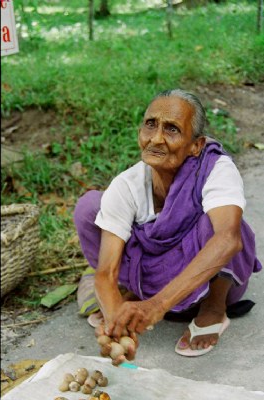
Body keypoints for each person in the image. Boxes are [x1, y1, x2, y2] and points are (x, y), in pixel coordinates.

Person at [74, 89, 262, 363]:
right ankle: (133, 294)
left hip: (208, 278)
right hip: (153, 282)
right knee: (90, 207)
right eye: (151, 125)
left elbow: (228, 240)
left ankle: (213, 307)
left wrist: (156, 306)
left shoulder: (215, 168)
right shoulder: (128, 185)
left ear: (196, 145)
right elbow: (106, 271)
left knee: (225, 225)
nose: (157, 138)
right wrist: (116, 324)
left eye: (172, 129)